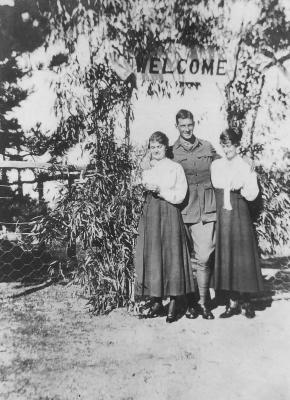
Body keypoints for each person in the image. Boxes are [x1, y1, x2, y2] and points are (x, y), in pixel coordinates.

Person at [135, 131, 195, 323]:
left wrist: (161, 190)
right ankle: (156, 301)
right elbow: (138, 184)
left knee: (172, 257)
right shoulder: (147, 168)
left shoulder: (175, 168)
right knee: (153, 256)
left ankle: (174, 302)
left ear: (166, 148)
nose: (156, 150)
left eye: (159, 147)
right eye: (152, 147)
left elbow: (181, 194)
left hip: (169, 212)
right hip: (151, 213)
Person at [171, 109, 220, 319]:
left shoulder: (207, 146)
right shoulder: (171, 151)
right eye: (183, 126)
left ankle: (203, 303)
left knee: (204, 256)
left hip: (206, 210)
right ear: (177, 127)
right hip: (181, 210)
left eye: (190, 125)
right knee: (184, 260)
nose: (187, 129)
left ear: (194, 124)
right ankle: (190, 303)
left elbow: (223, 162)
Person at [211, 128, 264, 318]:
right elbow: (217, 182)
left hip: (240, 210)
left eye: (230, 146)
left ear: (237, 145)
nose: (227, 150)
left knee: (243, 255)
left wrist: (242, 184)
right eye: (224, 146)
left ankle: (247, 301)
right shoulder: (217, 165)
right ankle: (232, 302)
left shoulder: (244, 164)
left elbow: (253, 192)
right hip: (225, 213)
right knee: (228, 255)